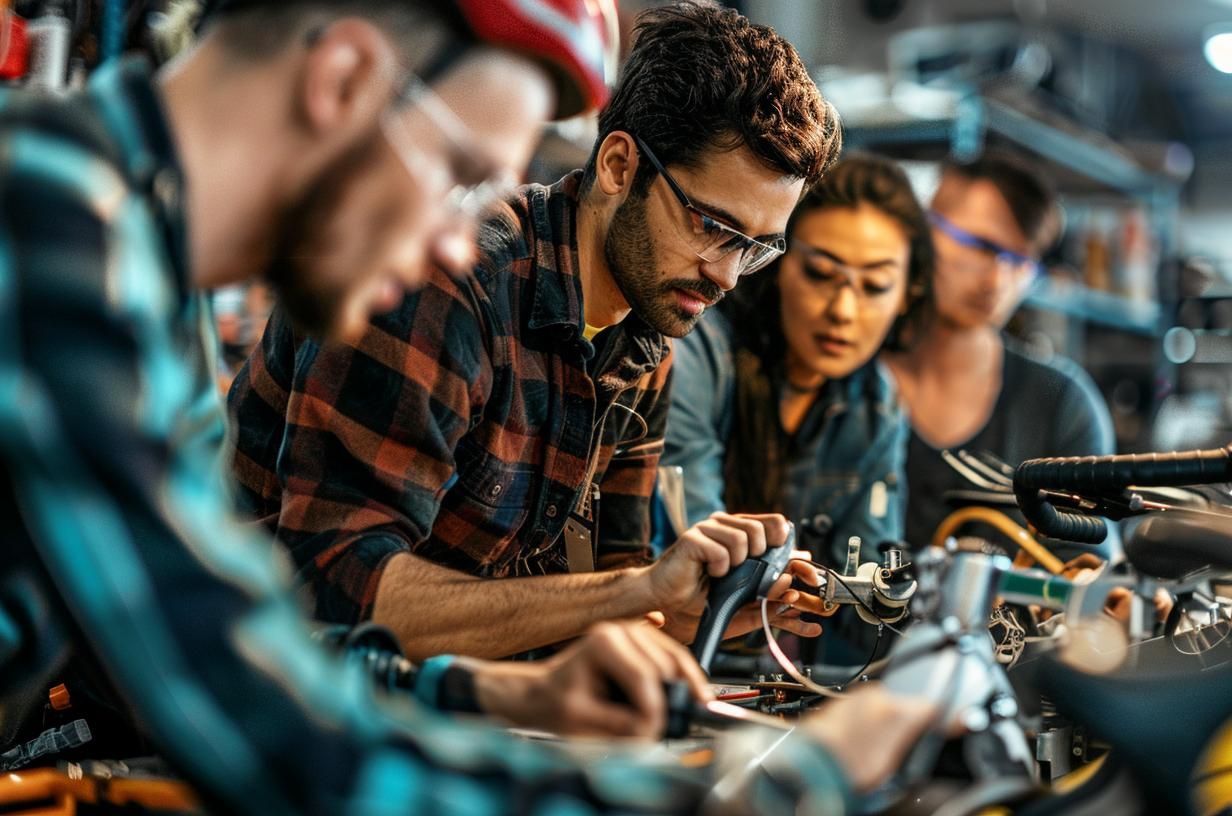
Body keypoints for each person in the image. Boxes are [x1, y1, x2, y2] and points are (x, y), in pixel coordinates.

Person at [0, 0, 937, 811]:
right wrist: (777, 793)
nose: (456, 243)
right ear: (344, 79)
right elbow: (274, 727)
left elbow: (264, 650)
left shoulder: (142, 269)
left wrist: (499, 698)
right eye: (457, 172)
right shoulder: (51, 231)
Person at [228, 0, 838, 661]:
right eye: (713, 228)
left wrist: (695, 611)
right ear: (618, 166)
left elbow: (601, 600)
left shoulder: (648, 334)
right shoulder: (448, 280)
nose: (726, 275)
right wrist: (633, 592)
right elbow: (336, 588)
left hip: (439, 705)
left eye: (756, 249)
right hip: (237, 691)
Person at [659, 153, 933, 667]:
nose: (843, 311)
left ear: (906, 295)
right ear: (779, 262)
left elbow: (872, 590)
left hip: (769, 677)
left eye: (874, 286)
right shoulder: (701, 354)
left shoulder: (876, 406)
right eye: (821, 273)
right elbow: (697, 562)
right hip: (657, 656)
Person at [885, 152, 1115, 552]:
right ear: (924, 228)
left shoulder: (1060, 403)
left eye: (1019, 261)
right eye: (980, 246)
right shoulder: (849, 379)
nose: (997, 279)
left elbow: (1088, 571)